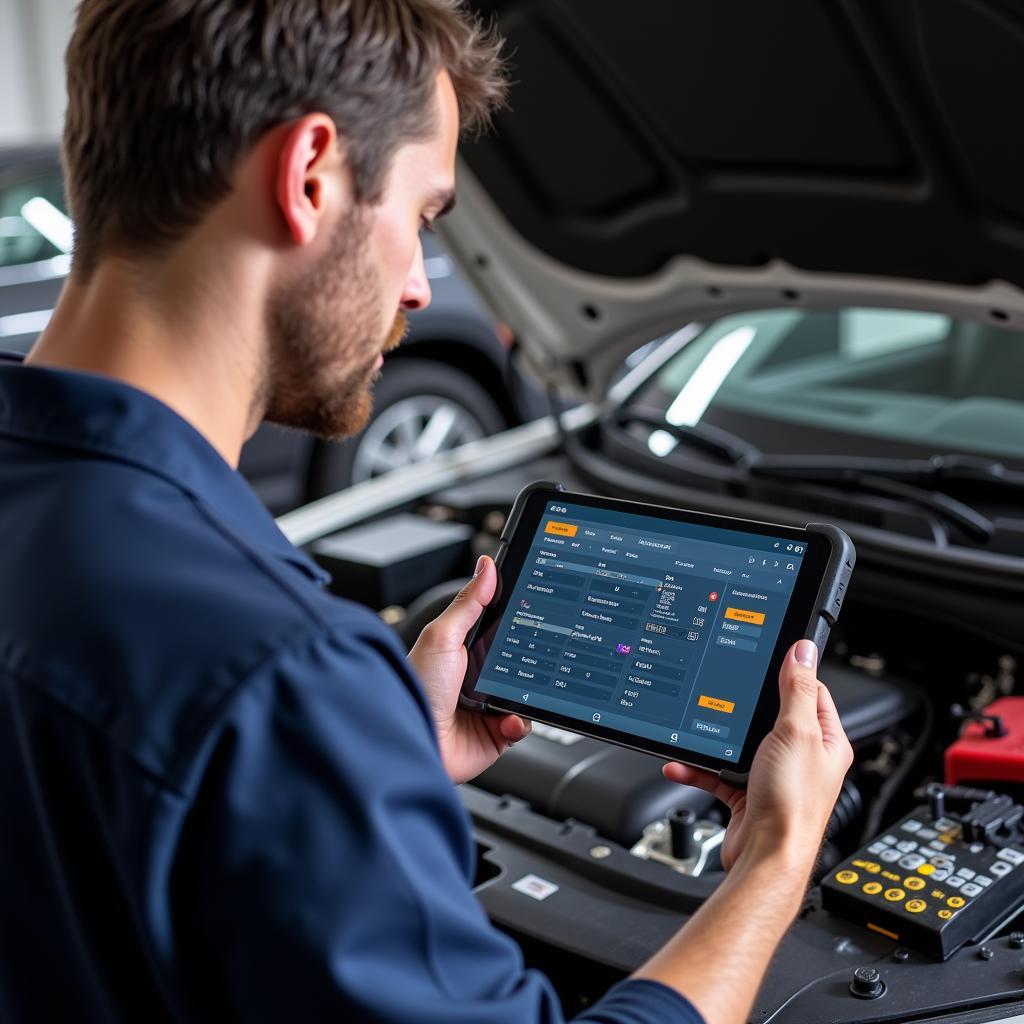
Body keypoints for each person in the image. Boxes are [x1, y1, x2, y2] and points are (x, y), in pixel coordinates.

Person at [0, 2, 853, 1022]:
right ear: (308, 172)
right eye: (423, 214)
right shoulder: (278, 676)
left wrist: (379, 751)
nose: (417, 285)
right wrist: (773, 860)